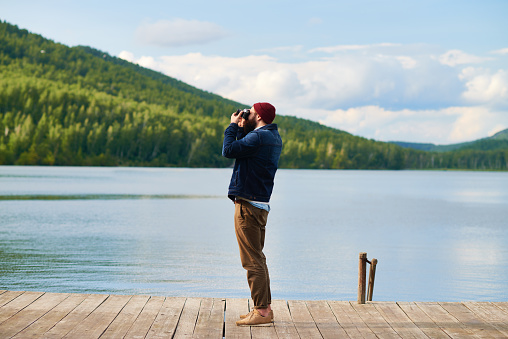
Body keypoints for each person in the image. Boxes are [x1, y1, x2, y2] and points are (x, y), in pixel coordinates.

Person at [222, 102, 283, 326]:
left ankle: (261, 312)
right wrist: (242, 126)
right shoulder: (271, 137)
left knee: (252, 261)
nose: (246, 114)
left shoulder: (258, 138)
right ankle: (265, 309)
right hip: (259, 204)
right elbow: (244, 147)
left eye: (250, 112)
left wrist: (232, 126)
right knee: (258, 258)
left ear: (257, 116)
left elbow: (228, 150)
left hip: (248, 206)